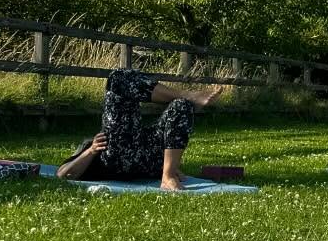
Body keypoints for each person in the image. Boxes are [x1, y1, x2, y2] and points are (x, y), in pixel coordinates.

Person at [58, 68, 222, 191]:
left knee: (181, 105)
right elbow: (63, 173)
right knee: (118, 77)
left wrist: (166, 165)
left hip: (147, 158)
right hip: (117, 158)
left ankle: (168, 175)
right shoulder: (90, 148)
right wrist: (91, 150)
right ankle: (189, 95)